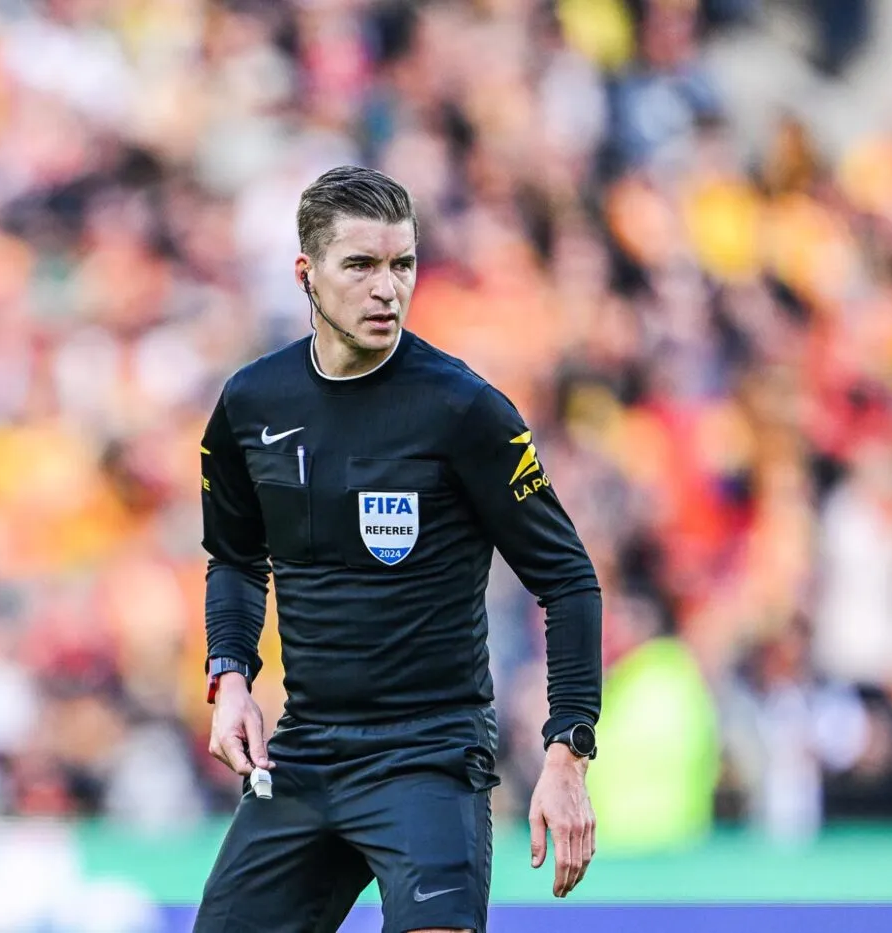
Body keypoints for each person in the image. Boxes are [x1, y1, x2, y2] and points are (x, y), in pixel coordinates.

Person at [194, 165, 603, 933]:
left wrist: (567, 749)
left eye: (403, 263)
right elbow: (237, 558)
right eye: (361, 265)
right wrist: (233, 676)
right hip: (307, 750)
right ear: (306, 274)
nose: (388, 288)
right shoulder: (253, 404)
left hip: (430, 755)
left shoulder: (463, 409)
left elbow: (568, 579)